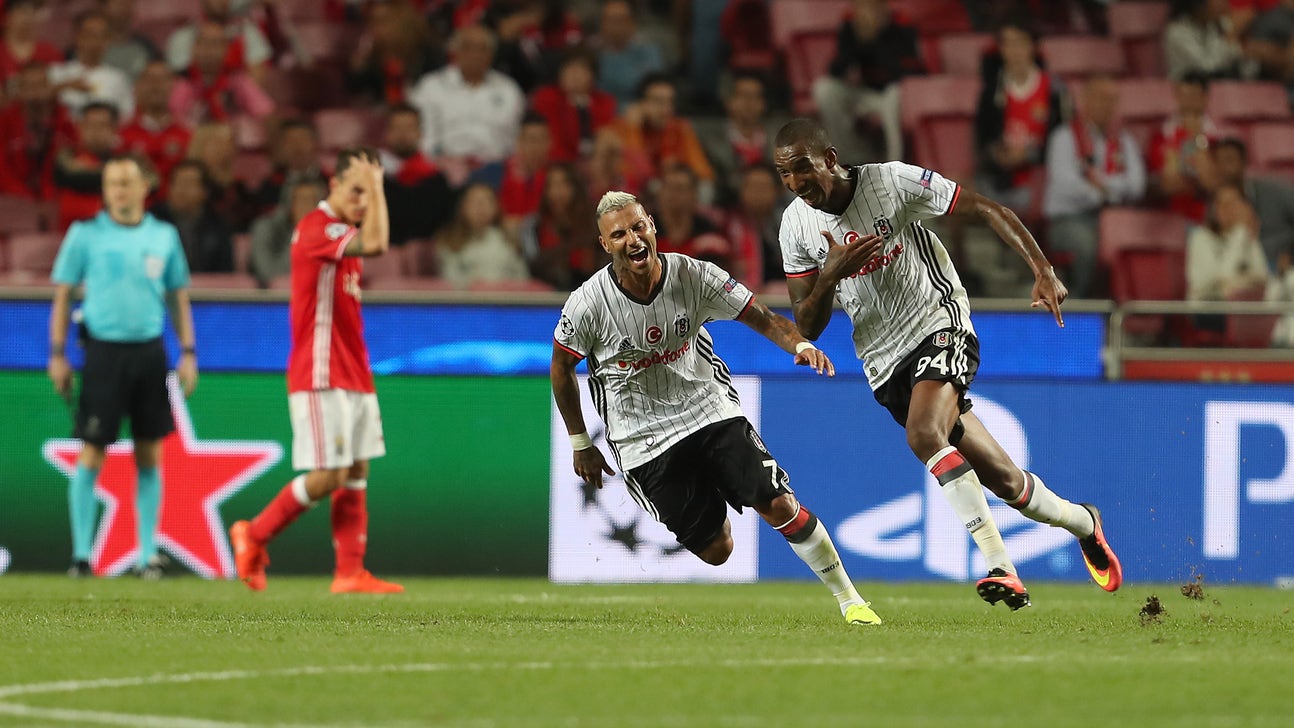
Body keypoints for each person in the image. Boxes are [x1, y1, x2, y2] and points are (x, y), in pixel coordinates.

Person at [772, 118, 1123, 609]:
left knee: (924, 435)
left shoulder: (890, 182)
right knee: (1006, 482)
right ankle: (1085, 522)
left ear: (829, 159)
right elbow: (806, 325)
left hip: (939, 320)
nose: (794, 184)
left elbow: (985, 208)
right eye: (784, 175)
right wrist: (830, 276)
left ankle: (1001, 567)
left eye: (801, 170)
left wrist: (1042, 269)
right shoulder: (795, 225)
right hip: (882, 357)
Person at [551, 189, 883, 626]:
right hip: (642, 437)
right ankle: (711, 481)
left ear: (652, 225)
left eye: (637, 227)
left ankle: (852, 602)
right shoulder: (588, 304)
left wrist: (799, 343)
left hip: (708, 410)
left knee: (779, 503)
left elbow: (762, 317)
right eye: (619, 235)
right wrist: (580, 442)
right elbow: (560, 368)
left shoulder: (695, 275)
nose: (632, 240)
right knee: (717, 551)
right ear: (605, 245)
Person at [230, 148, 401, 594]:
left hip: (354, 372)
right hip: (321, 372)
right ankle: (254, 533)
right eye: (356, 191)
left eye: (369, 193)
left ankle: (349, 572)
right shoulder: (316, 228)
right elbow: (380, 243)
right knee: (330, 474)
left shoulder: (340, 231)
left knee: (357, 468)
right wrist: (380, 187)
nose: (363, 202)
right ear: (334, 187)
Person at [47, 152, 198, 579]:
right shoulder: (84, 235)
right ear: (105, 190)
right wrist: (58, 355)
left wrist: (189, 352)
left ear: (145, 186)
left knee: (149, 452)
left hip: (149, 352)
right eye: (112, 182)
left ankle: (147, 552)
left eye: (127, 181)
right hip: (103, 354)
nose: (119, 190)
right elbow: (63, 295)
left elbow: (177, 297)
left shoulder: (164, 236)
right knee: (92, 451)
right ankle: (81, 555)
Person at [1043, 75, 1146, 298]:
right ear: (1085, 101)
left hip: (1115, 218)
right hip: (1071, 219)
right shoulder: (1064, 137)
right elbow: (1066, 185)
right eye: (1101, 98)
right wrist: (1108, 192)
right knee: (1089, 244)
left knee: (1134, 243)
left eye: (1111, 100)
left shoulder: (1123, 140)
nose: (1106, 105)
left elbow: (1137, 185)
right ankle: (1082, 304)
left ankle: (1129, 307)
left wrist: (1102, 186)